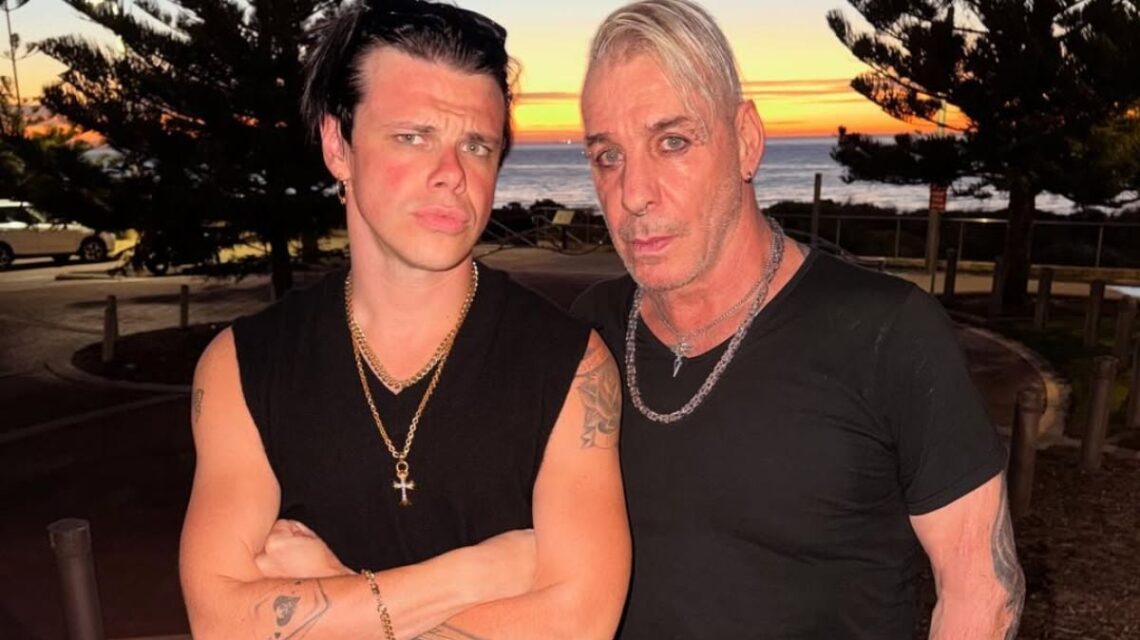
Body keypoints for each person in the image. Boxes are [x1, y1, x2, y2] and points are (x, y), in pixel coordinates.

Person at [571, 1, 1024, 637]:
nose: (633, 193)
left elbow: (982, 588)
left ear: (746, 141)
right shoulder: (589, 331)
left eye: (672, 142)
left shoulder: (885, 332)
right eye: (607, 156)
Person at [179, 1, 630, 638]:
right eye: (412, 137)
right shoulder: (242, 367)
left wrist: (335, 582)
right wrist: (472, 575)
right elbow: (222, 622)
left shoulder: (571, 367)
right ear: (338, 146)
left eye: (475, 145)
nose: (452, 175)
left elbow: (578, 627)